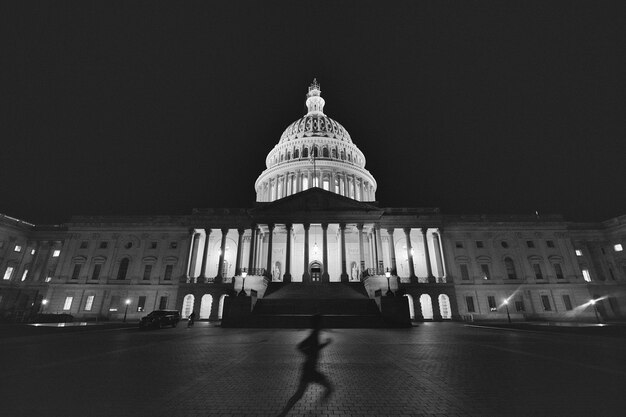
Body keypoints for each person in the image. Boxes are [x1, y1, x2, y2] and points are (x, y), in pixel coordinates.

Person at [278, 314, 333, 416]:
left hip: (310, 369)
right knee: (328, 388)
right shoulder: (314, 335)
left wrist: (324, 345)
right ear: (318, 323)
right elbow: (300, 346)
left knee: (299, 394)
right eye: (322, 321)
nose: (324, 323)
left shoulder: (315, 334)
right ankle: (315, 410)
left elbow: (313, 349)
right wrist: (309, 355)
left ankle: (283, 414)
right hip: (309, 370)